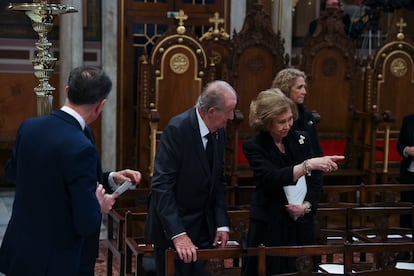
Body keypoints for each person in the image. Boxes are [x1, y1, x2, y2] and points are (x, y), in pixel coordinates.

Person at [0, 66, 141, 276]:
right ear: (101, 105)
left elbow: (15, 173)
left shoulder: (29, 127)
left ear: (67, 91)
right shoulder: (81, 145)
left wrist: (110, 178)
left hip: (22, 251)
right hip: (58, 259)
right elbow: (86, 222)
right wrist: (98, 205)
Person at [243, 89, 344, 275]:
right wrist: (307, 165)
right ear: (265, 122)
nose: (288, 125)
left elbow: (315, 179)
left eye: (290, 119)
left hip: (301, 222)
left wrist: (306, 206)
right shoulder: (254, 146)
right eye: (281, 121)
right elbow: (271, 177)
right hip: (270, 223)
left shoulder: (301, 139)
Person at [144, 80, 237, 275]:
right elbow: (162, 186)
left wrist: (221, 222)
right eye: (229, 110)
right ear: (211, 111)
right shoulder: (178, 129)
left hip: (204, 227)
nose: (232, 116)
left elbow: (218, 181)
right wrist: (178, 235)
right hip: (174, 228)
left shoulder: (219, 130)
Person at [272, 68, 323, 159]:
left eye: (304, 87)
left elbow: (316, 153)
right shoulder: (273, 116)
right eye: (299, 87)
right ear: (286, 89)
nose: (304, 92)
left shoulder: (308, 118)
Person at [397, 114, 414, 244]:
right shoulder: (408, 120)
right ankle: (404, 247)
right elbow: (400, 145)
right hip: (409, 172)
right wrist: (406, 149)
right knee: (405, 210)